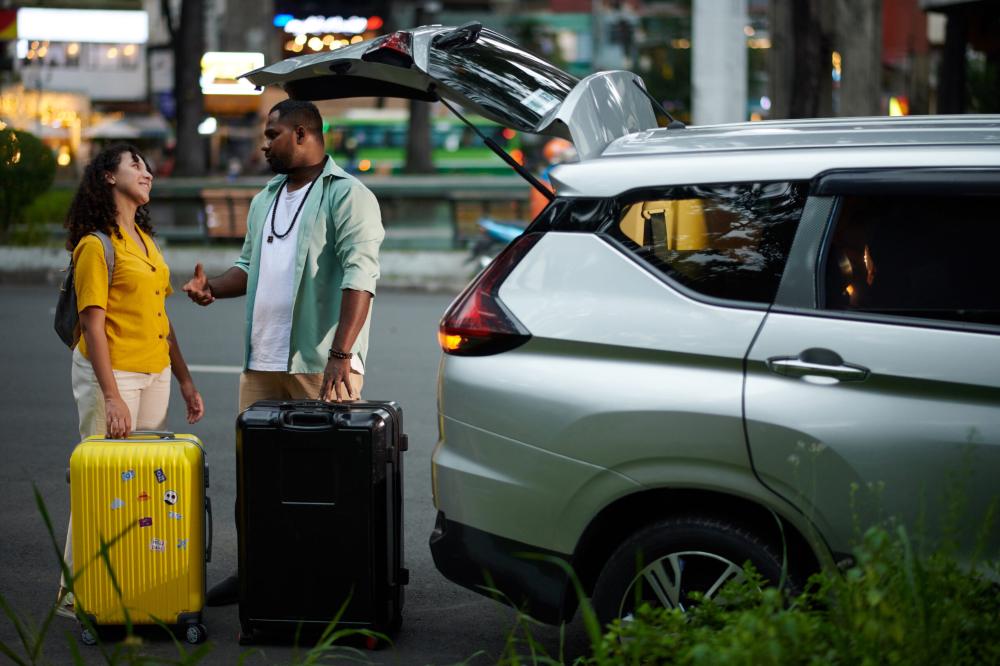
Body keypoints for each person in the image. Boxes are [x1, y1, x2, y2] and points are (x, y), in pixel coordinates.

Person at [182, 99, 384, 605]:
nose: (264, 143)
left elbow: (362, 276)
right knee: (256, 479)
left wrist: (341, 354)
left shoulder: (348, 196)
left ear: (301, 133)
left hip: (319, 364)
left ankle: (324, 584)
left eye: (271, 134)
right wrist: (214, 289)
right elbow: (248, 268)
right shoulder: (265, 198)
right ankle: (255, 571)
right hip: (261, 362)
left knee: (322, 481)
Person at [58, 143, 205, 618]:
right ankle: (74, 593)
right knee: (98, 483)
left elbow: (160, 315)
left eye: (147, 166)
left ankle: (125, 585)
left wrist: (183, 379)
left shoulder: (143, 239)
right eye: (134, 164)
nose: (147, 172)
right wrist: (112, 395)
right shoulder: (94, 245)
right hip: (113, 374)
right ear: (107, 177)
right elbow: (93, 322)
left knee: (135, 485)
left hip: (154, 372)